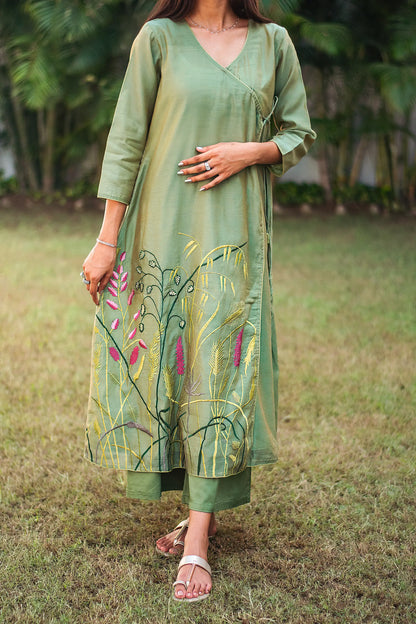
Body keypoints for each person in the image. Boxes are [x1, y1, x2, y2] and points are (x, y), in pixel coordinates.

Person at [81, 0, 316, 604]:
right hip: (161, 233)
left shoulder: (274, 43)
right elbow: (127, 137)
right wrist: (108, 240)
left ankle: (199, 538)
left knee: (221, 367)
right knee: (169, 368)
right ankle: (194, 507)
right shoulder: (158, 38)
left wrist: (248, 152)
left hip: (234, 235)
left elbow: (297, 131)